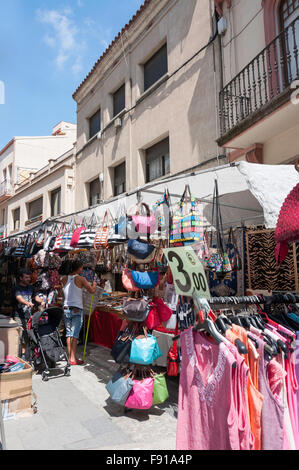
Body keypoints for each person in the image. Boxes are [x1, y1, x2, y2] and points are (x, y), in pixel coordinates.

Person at [61, 260, 96, 365]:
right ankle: (72, 358)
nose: (82, 270)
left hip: (66, 307)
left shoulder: (63, 279)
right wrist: (94, 284)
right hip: (76, 308)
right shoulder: (80, 279)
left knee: (68, 334)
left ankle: (70, 356)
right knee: (74, 335)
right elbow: (92, 290)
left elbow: (62, 294)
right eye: (81, 268)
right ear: (78, 268)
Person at [13, 269, 45, 358]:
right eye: (26, 277)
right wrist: (27, 303)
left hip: (28, 316)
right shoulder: (17, 288)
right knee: (18, 337)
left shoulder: (31, 287)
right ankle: (16, 356)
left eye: (29, 277)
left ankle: (23, 356)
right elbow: (19, 298)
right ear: (20, 278)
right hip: (18, 316)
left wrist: (41, 301)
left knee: (26, 337)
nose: (28, 279)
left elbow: (36, 297)